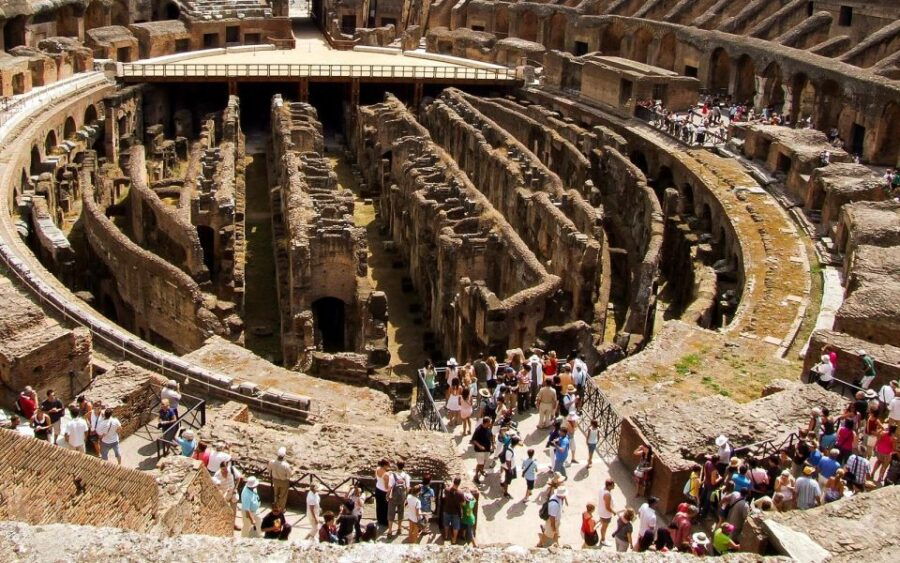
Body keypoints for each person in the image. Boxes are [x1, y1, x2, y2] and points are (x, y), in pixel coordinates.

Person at [388, 462, 410, 536]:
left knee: (391, 513)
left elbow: (390, 487)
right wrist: (406, 497)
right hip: (402, 497)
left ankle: (390, 531)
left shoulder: (392, 475)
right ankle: (399, 528)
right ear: (403, 467)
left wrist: (387, 495)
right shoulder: (406, 476)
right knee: (401, 512)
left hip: (393, 497)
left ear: (397, 466)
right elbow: (408, 487)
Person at [268, 446, 292, 510]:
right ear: (284, 456)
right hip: (283, 481)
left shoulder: (272, 462)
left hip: (275, 480)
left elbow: (269, 470)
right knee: (283, 496)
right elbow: (289, 476)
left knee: (276, 495)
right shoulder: (286, 465)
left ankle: (275, 507)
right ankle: (280, 509)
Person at [471, 417, 493, 483]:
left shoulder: (488, 428)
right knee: (480, 463)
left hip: (487, 449)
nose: (491, 423)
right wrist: (480, 446)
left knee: (484, 461)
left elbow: (491, 436)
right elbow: (473, 440)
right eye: (490, 422)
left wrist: (493, 443)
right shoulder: (478, 429)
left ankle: (481, 470)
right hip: (479, 451)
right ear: (486, 422)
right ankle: (476, 476)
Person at [442, 477, 464, 544]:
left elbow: (443, 496)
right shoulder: (460, 493)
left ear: (453, 482)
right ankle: (454, 539)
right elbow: (463, 503)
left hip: (447, 510)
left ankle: (446, 536)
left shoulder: (447, 490)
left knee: (446, 524)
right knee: (455, 527)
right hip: (456, 512)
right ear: (459, 484)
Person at [597, 478, 615, 545]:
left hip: (601, 511)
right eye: (613, 485)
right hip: (606, 514)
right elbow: (607, 507)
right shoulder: (607, 494)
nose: (614, 486)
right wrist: (614, 512)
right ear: (609, 486)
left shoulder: (602, 488)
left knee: (602, 523)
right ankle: (603, 540)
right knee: (604, 528)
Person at [374, 459, 391, 528]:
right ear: (384, 465)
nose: (388, 466)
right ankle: (385, 522)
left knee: (379, 506)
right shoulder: (386, 474)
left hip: (377, 489)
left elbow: (376, 477)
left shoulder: (377, 468)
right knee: (385, 507)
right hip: (384, 492)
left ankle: (379, 520)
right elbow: (386, 487)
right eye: (388, 465)